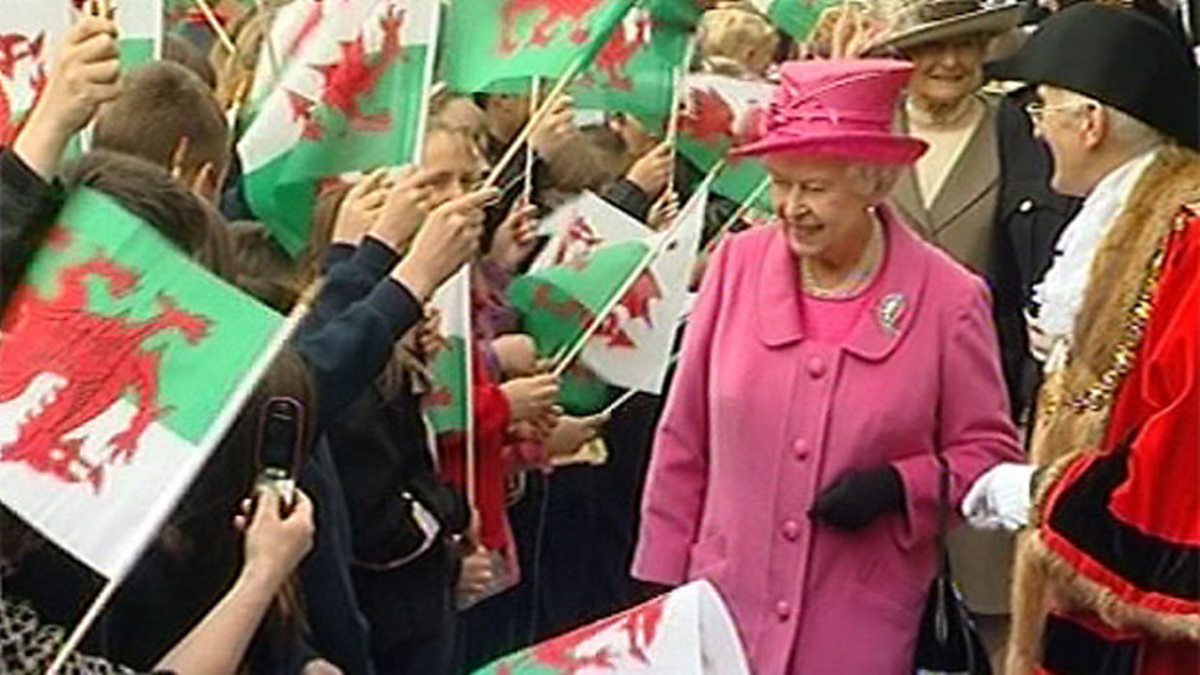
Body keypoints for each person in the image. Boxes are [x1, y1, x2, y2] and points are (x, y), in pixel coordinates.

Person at [632, 59, 1023, 675]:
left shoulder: (949, 297)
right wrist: (660, 586)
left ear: (874, 183)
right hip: (722, 609)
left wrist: (900, 486)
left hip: (861, 620)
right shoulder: (735, 266)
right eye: (780, 184)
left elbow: (988, 454)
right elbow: (684, 437)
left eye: (813, 188)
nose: (791, 207)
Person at [958, 4, 1200, 674]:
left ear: (1090, 122)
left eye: (1042, 108)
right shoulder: (1129, 219)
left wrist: (1047, 493)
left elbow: (1186, 447)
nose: (1035, 129)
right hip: (1089, 609)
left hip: (1149, 640)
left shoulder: (1190, 238)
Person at [872, 0, 1025, 658]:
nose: (951, 61)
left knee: (995, 599)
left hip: (985, 396)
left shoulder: (1018, 131)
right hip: (877, 395)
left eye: (967, 44)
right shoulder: (871, 130)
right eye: (933, 47)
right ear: (905, 55)